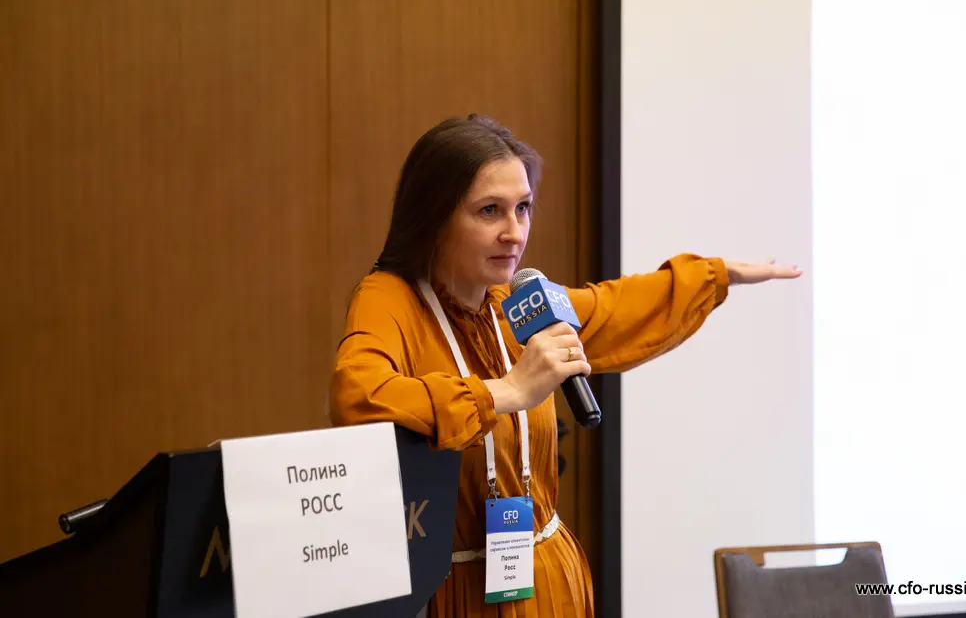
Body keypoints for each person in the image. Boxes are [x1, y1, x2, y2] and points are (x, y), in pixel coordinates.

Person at [328, 114, 801, 618]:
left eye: (523, 208)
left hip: (549, 581)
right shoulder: (389, 297)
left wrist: (715, 275)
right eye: (489, 211)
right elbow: (360, 396)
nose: (514, 233)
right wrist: (505, 392)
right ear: (435, 216)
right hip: (456, 591)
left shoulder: (512, 302)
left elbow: (611, 307)